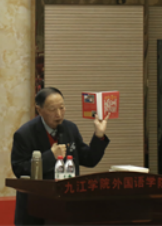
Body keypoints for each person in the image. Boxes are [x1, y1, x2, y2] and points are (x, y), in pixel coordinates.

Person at [11, 87, 110, 226]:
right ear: (39, 110)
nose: (58, 114)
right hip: (36, 211)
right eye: (52, 109)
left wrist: (99, 135)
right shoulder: (24, 134)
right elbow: (19, 169)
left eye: (62, 108)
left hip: (67, 207)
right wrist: (50, 157)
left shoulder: (70, 129)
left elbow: (89, 159)